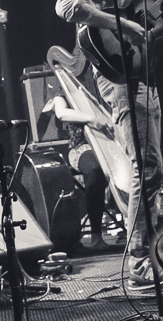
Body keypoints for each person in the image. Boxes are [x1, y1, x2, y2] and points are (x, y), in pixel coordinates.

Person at [55, 0, 163, 287]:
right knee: (146, 170)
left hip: (142, 75)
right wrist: (120, 24)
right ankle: (140, 265)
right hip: (120, 81)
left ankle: (146, 260)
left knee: (153, 169)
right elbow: (65, 5)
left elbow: (143, 31)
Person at [42, 94, 113, 250]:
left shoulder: (103, 90)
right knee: (96, 170)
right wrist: (92, 119)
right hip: (81, 149)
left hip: (108, 147)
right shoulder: (63, 95)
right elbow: (62, 113)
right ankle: (96, 236)